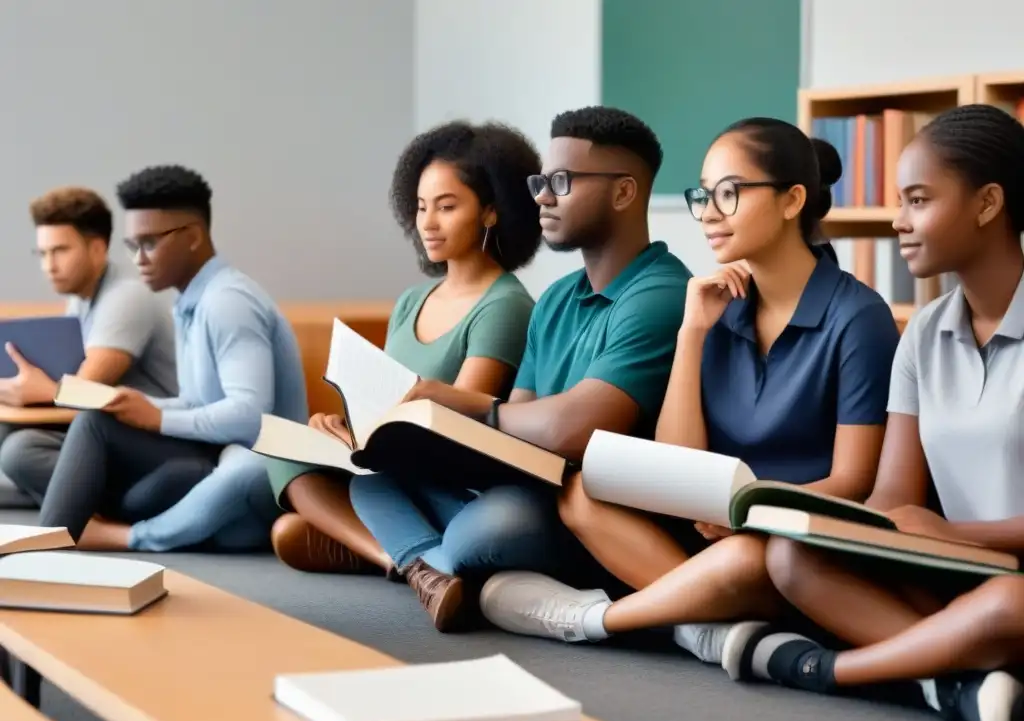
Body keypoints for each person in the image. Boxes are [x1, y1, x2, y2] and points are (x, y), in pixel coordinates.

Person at [480, 119, 901, 655]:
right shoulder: (716, 309)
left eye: (729, 194)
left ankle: (596, 619)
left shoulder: (859, 317)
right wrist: (693, 331)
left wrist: (752, 514)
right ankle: (702, 622)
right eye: (703, 195)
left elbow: (855, 481)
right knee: (582, 492)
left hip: (792, 537)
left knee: (750, 559)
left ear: (793, 200)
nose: (707, 213)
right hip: (712, 531)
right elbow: (678, 461)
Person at [724, 104, 1024, 721]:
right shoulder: (920, 332)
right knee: (793, 556)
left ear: (988, 203)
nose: (898, 222)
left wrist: (951, 532)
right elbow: (892, 501)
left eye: (918, 200)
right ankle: (959, 678)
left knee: (1009, 609)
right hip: (956, 571)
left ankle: (828, 670)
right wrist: (796, 511)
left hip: (1007, 581)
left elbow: (932, 523)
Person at [346, 106, 692, 632]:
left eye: (561, 181)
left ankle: (433, 562)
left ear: (623, 193)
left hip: (601, 512)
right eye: (540, 181)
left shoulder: (661, 293)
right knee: (368, 477)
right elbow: (523, 429)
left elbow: (570, 429)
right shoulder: (555, 299)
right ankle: (437, 569)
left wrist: (468, 404)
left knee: (480, 535)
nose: (542, 197)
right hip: (538, 489)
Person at [266, 120, 541, 576]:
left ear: (491, 211)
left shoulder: (505, 304)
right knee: (283, 451)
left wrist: (371, 439)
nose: (428, 223)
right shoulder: (412, 300)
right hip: (392, 459)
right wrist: (338, 425)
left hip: (446, 474)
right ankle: (402, 563)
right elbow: (382, 401)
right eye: (420, 207)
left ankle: (402, 555)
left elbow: (459, 424)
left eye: (447, 207)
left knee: (307, 525)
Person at [37, 165, 308, 552]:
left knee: (235, 472)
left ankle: (104, 540)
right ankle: (50, 545)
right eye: (132, 246)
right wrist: (141, 405)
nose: (139, 260)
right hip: (215, 455)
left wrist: (159, 417)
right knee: (96, 421)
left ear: (194, 236)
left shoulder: (228, 301)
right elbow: (199, 403)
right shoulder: (187, 303)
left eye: (149, 243)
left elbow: (251, 417)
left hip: (260, 467)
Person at [0, 187, 177, 505]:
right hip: (109, 430)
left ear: (96, 249)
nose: (48, 265)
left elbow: (82, 392)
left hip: (158, 441)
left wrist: (44, 391)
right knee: (5, 434)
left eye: (60, 251)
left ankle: (126, 507)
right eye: (42, 254)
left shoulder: (126, 297)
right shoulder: (80, 300)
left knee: (20, 451)